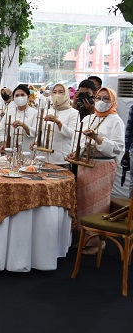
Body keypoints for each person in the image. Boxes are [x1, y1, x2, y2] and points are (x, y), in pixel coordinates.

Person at [67, 87, 124, 254]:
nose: (101, 101)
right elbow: (79, 140)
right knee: (83, 203)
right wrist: (75, 152)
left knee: (98, 205)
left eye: (106, 99)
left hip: (103, 167)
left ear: (113, 102)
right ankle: (84, 238)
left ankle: (98, 242)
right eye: (99, 97)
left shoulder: (116, 121)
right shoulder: (89, 118)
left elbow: (118, 147)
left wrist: (97, 138)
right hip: (85, 165)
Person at [36, 83, 78, 166]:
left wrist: (58, 122)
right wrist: (36, 142)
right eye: (54, 92)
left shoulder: (73, 113)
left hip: (61, 159)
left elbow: (72, 134)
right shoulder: (48, 111)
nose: (56, 95)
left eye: (60, 92)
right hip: (44, 157)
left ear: (66, 94)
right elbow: (42, 131)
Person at [0, 84, 37, 152]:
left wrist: (24, 126)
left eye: (22, 95)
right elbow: (1, 131)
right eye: (17, 95)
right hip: (10, 150)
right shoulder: (9, 113)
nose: (20, 97)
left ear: (28, 97)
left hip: (27, 150)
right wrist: (4, 141)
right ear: (13, 98)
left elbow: (36, 132)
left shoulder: (35, 113)